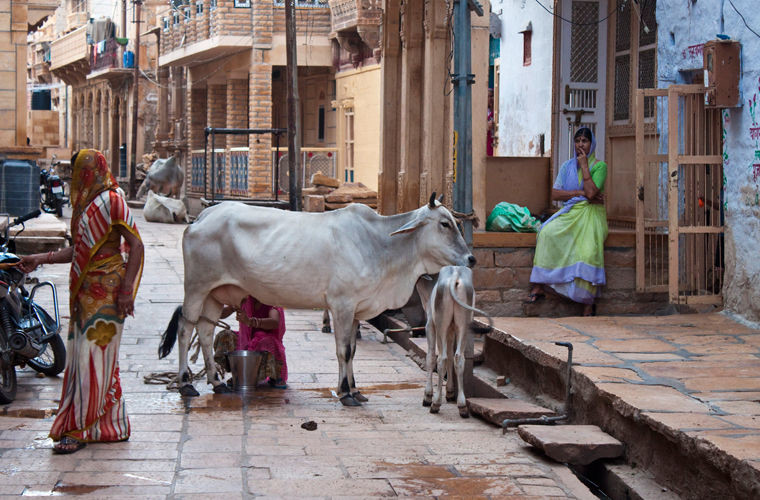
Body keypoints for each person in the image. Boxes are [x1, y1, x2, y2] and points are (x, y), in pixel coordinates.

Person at [18, 149, 144, 454]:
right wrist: (39, 258)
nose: (80, 177)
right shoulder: (83, 205)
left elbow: (136, 245)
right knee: (90, 361)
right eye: (78, 171)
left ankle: (78, 429)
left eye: (83, 171)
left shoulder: (113, 200)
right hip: (83, 292)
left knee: (93, 359)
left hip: (109, 294)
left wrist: (127, 289)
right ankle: (112, 426)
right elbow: (77, 251)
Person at [526, 127, 607, 316]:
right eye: (577, 141)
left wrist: (585, 167)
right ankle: (539, 284)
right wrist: (580, 193)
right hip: (570, 212)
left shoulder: (600, 167)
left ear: (591, 144)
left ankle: (587, 303)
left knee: (588, 252)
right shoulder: (566, 166)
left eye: (584, 141)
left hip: (590, 214)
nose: (580, 145)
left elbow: (592, 193)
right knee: (546, 232)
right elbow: (556, 194)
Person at [221, 296, 287, 389]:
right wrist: (232, 307)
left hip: (267, 343)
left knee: (264, 341)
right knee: (225, 336)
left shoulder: (271, 298)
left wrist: (250, 321)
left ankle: (275, 375)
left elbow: (274, 322)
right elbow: (220, 314)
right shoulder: (245, 299)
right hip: (247, 341)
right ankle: (238, 373)